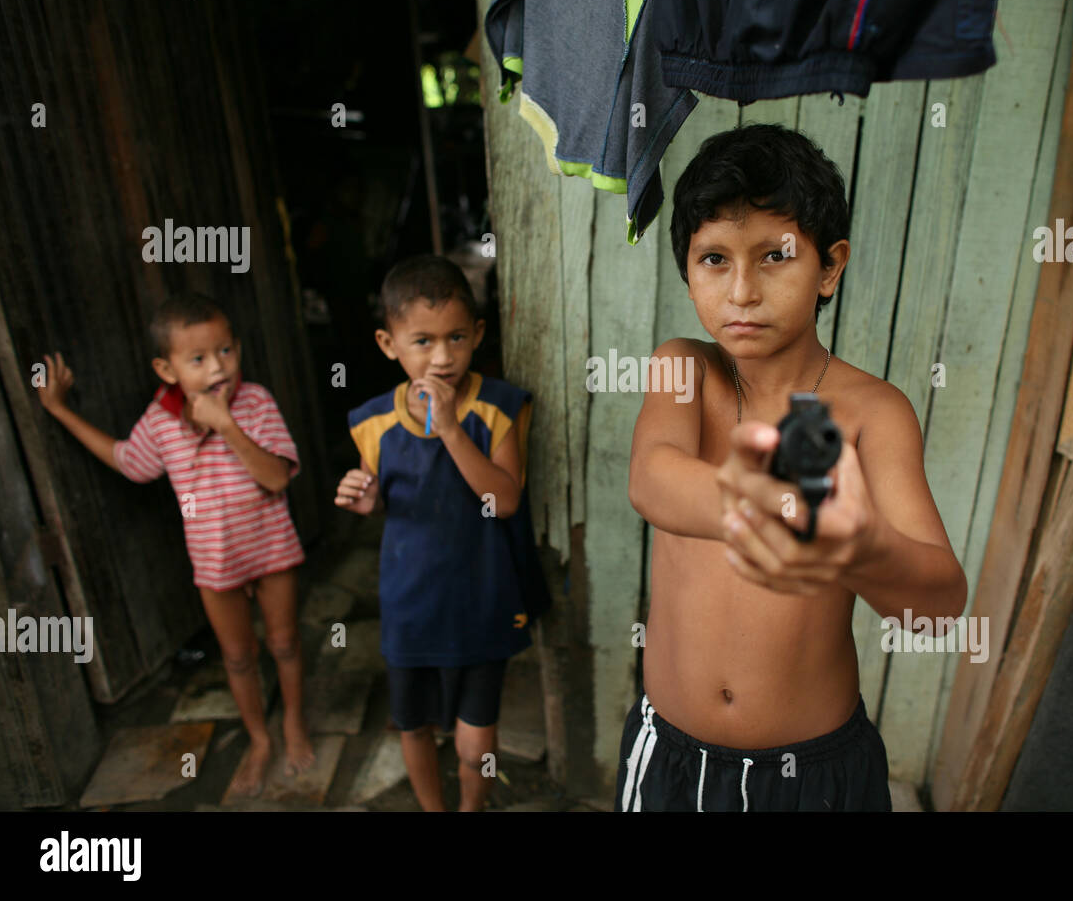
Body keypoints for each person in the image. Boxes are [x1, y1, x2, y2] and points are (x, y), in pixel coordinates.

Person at [619, 123, 968, 811]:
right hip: (669, 754)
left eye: (773, 256)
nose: (742, 290)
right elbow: (653, 480)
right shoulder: (685, 368)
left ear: (829, 267)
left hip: (810, 776)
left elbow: (935, 610)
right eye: (714, 259)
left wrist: (862, 548)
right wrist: (776, 502)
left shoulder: (870, 413)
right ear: (688, 273)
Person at [37, 292, 313, 798]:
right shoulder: (161, 421)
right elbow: (128, 462)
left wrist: (226, 424)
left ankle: (293, 721)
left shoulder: (256, 404)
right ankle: (258, 738)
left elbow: (276, 479)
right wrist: (58, 411)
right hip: (215, 565)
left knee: (285, 642)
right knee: (237, 657)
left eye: (226, 351)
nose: (219, 368)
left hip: (272, 549)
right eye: (199, 359)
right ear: (167, 369)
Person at [337, 255, 548, 811]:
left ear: (478, 333)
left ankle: (471, 808)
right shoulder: (371, 422)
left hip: (483, 596)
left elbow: (503, 501)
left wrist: (451, 428)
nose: (442, 356)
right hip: (411, 601)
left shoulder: (499, 407)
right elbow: (386, 497)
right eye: (423, 341)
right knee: (413, 724)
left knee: (476, 733)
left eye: (456, 337)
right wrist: (367, 499)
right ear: (388, 344)